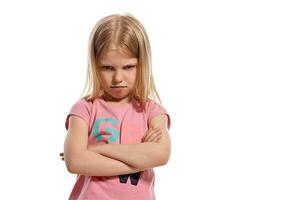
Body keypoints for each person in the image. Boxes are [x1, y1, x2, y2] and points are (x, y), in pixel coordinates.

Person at [61, 13, 171, 200]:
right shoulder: (83, 110)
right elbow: (75, 161)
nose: (118, 78)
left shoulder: (152, 111)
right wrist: (140, 158)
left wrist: (95, 150)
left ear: (142, 65)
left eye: (128, 67)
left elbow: (161, 154)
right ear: (95, 66)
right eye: (108, 68)